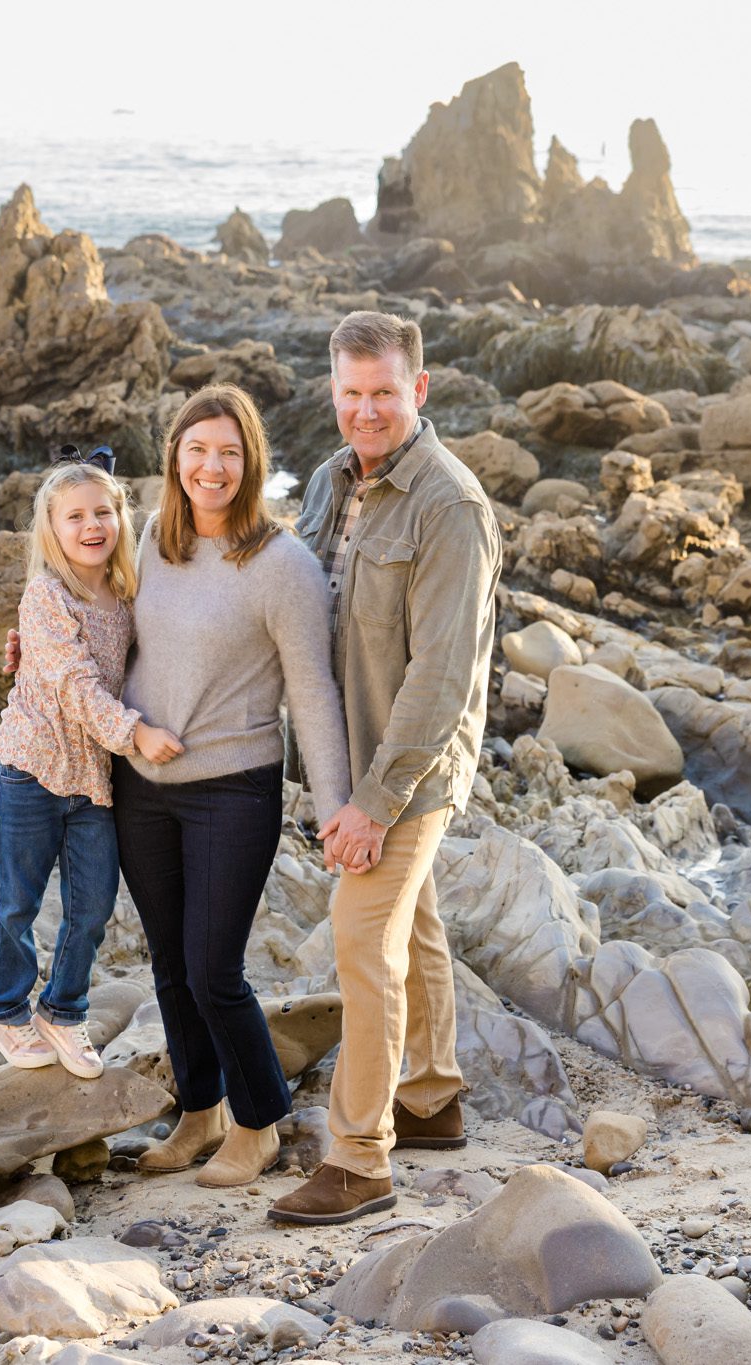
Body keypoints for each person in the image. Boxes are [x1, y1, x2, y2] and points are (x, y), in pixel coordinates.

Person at [268, 311, 503, 1225]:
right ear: (334, 391)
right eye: (352, 393)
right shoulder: (336, 480)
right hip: (359, 750)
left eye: (385, 393)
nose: (367, 411)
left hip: (408, 765)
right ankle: (435, 1095)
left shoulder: (449, 506)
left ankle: (361, 1159)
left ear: (421, 389)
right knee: (417, 922)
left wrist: (372, 803)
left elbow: (442, 678)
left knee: (363, 939)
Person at [114, 384, 355, 1188]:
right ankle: (199, 1112)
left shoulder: (283, 565)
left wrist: (334, 808)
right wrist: (33, 655)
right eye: (196, 450)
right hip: (143, 786)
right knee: (171, 965)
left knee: (215, 967)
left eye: (228, 452)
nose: (211, 467)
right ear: (174, 459)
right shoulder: (152, 539)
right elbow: (108, 635)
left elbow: (313, 692)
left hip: (233, 791)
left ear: (251, 462)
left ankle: (259, 1122)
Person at [0, 458, 186, 1077]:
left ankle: (63, 1012)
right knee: (16, 903)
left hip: (93, 779)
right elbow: (74, 682)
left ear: (122, 519)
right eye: (76, 516)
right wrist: (135, 733)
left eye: (104, 512)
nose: (93, 525)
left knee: (92, 907)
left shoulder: (124, 596)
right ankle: (5, 1011)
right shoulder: (46, 594)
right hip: (30, 771)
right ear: (52, 529)